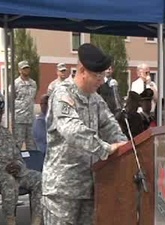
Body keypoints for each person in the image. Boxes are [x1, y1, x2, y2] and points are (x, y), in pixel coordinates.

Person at [42, 43, 128, 225]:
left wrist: (125, 149)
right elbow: (72, 130)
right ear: (82, 71)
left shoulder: (96, 100)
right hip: (62, 191)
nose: (102, 81)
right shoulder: (62, 94)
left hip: (90, 187)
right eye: (98, 75)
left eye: (104, 75)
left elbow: (111, 127)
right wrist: (106, 148)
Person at [0, 93, 43, 225]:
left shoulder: (5, 133)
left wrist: (18, 166)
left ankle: (36, 221)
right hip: (3, 175)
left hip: (15, 172)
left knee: (38, 179)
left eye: (0, 110)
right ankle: (10, 221)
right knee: (9, 181)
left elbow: (18, 156)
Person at [13, 60, 37, 150]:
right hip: (19, 119)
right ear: (20, 70)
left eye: (27, 68)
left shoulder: (33, 83)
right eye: (24, 68)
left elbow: (33, 98)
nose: (26, 70)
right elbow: (11, 100)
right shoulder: (15, 84)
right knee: (18, 144)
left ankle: (32, 163)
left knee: (32, 145)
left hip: (30, 119)